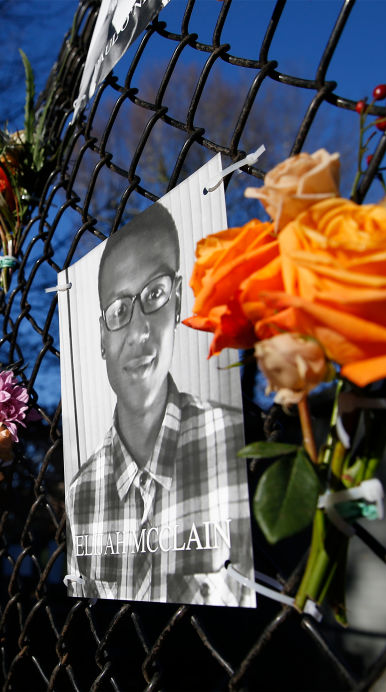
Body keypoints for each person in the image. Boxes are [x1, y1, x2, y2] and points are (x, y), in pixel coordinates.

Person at [65, 203, 252, 605]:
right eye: (118, 310)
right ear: (101, 334)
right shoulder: (81, 491)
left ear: (178, 299)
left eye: (155, 294)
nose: (138, 331)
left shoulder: (236, 444)